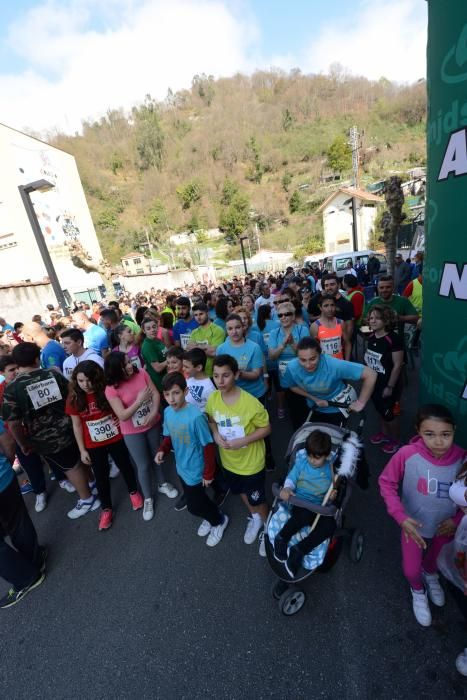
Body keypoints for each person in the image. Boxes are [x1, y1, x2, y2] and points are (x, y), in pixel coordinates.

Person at [379, 404, 466, 627]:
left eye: (445, 434)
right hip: (413, 526)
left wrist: (456, 521)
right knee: (410, 569)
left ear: (454, 430)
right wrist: (400, 517)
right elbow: (387, 483)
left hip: (444, 528)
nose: (438, 442)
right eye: (429, 434)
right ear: (418, 431)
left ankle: (431, 575)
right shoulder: (406, 454)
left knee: (434, 560)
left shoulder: (462, 459)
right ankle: (417, 590)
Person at [2, 343, 100, 519]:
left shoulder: (13, 388)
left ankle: (87, 500)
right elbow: (72, 394)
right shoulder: (52, 374)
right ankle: (92, 484)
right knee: (79, 458)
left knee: (71, 467)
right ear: (37, 359)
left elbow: (13, 423)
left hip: (46, 438)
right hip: (72, 426)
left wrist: (22, 443)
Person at [206, 355, 271, 557]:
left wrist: (244, 441)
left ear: (236, 374)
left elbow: (266, 428)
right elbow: (211, 419)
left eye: (226, 375)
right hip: (229, 462)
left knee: (258, 498)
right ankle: (255, 518)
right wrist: (216, 435)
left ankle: (269, 530)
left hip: (251, 464)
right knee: (241, 491)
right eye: (216, 376)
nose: (220, 381)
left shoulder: (251, 403)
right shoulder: (213, 398)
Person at [66, 361, 143, 531]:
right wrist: (81, 449)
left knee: (125, 466)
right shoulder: (74, 398)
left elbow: (120, 406)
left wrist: (117, 417)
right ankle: (106, 509)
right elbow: (77, 425)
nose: (85, 385)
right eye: (80, 381)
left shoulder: (106, 390)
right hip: (93, 444)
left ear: (98, 378)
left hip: (115, 437)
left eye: (89, 380)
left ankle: (133, 492)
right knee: (101, 475)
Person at [155, 373, 228, 547]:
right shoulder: (167, 412)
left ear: (186, 391)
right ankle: (210, 516)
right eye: (167, 394)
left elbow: (208, 446)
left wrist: (208, 473)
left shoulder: (196, 417)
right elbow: (169, 436)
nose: (171, 399)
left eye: (176, 393)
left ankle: (219, 520)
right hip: (181, 467)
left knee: (194, 506)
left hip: (196, 469)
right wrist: (162, 450)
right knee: (199, 501)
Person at [104, 352, 178, 522]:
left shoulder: (141, 373)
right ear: (116, 370)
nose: (130, 366)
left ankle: (162, 484)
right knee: (143, 465)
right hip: (132, 431)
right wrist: (139, 401)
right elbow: (122, 415)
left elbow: (156, 394)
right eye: (125, 365)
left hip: (152, 424)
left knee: (157, 456)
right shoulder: (111, 389)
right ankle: (147, 498)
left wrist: (153, 413)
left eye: (129, 362)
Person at [273, 430, 336, 577]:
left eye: (317, 457)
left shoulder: (331, 469)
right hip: (300, 502)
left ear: (326, 456)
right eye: (309, 455)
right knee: (303, 515)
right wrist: (287, 488)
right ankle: (282, 537)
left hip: (319, 507)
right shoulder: (302, 463)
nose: (312, 460)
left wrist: (332, 496)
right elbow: (291, 479)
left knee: (330, 525)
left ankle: (299, 550)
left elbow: (331, 491)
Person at [0, 417, 46, 609]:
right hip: (4, 478)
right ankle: (35, 560)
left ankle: (26, 577)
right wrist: (5, 465)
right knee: (18, 522)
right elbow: (8, 441)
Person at [281, 337, 377, 428]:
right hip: (314, 405)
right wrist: (314, 398)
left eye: (312, 359)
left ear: (321, 354)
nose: (307, 365)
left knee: (336, 436)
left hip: (336, 406)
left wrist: (360, 403)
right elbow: (292, 386)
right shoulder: (292, 367)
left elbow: (371, 374)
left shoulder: (333, 365)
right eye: (302, 360)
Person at [0, 355, 49, 513]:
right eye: (11, 370)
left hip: (39, 428)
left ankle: (62, 478)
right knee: (29, 463)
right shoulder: (1, 390)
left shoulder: (28, 382)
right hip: (17, 434)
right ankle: (40, 491)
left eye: (17, 368)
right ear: (2, 372)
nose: (15, 372)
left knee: (50, 454)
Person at [365, 306, 404, 454]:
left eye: (377, 318)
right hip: (374, 383)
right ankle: (384, 434)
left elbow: (398, 365)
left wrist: (390, 387)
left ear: (386, 320)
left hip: (388, 384)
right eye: (371, 318)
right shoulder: (372, 337)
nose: (373, 320)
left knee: (390, 414)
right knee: (380, 410)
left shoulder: (393, 339)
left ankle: (395, 441)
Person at [268, 301, 310, 423]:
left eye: (287, 314)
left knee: (305, 405)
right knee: (293, 407)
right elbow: (272, 357)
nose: (284, 317)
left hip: (303, 375)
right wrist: (283, 345)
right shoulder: (274, 334)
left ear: (293, 315)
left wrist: (292, 343)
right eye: (280, 315)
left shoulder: (302, 330)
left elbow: (307, 355)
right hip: (285, 376)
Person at [308, 273, 354, 340]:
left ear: (338, 286)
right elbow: (310, 317)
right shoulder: (318, 300)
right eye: (326, 285)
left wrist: (345, 344)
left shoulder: (347, 304)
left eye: (332, 284)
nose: (329, 288)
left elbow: (349, 327)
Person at [187, 303, 225, 378]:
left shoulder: (218, 330)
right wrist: (205, 347)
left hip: (214, 374)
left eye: (201, 314)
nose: (198, 317)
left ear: (207, 313)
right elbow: (189, 351)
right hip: (197, 374)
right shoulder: (194, 332)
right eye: (196, 315)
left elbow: (214, 352)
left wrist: (196, 346)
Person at [310, 295, 350, 361]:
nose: (330, 309)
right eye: (326, 306)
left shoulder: (341, 323)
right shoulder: (315, 326)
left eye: (332, 305)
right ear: (320, 307)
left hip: (339, 364)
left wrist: (347, 362)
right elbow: (313, 349)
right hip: (324, 365)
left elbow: (347, 343)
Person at [183, 348, 216, 413]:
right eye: (183, 366)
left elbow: (213, 410)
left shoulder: (209, 388)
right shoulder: (189, 377)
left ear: (198, 368)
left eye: (186, 367)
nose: (183, 369)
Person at [140, 317, 167, 393]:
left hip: (167, 380)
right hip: (161, 385)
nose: (152, 330)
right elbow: (157, 368)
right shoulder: (148, 346)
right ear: (144, 331)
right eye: (148, 328)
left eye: (154, 327)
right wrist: (170, 360)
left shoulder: (156, 339)